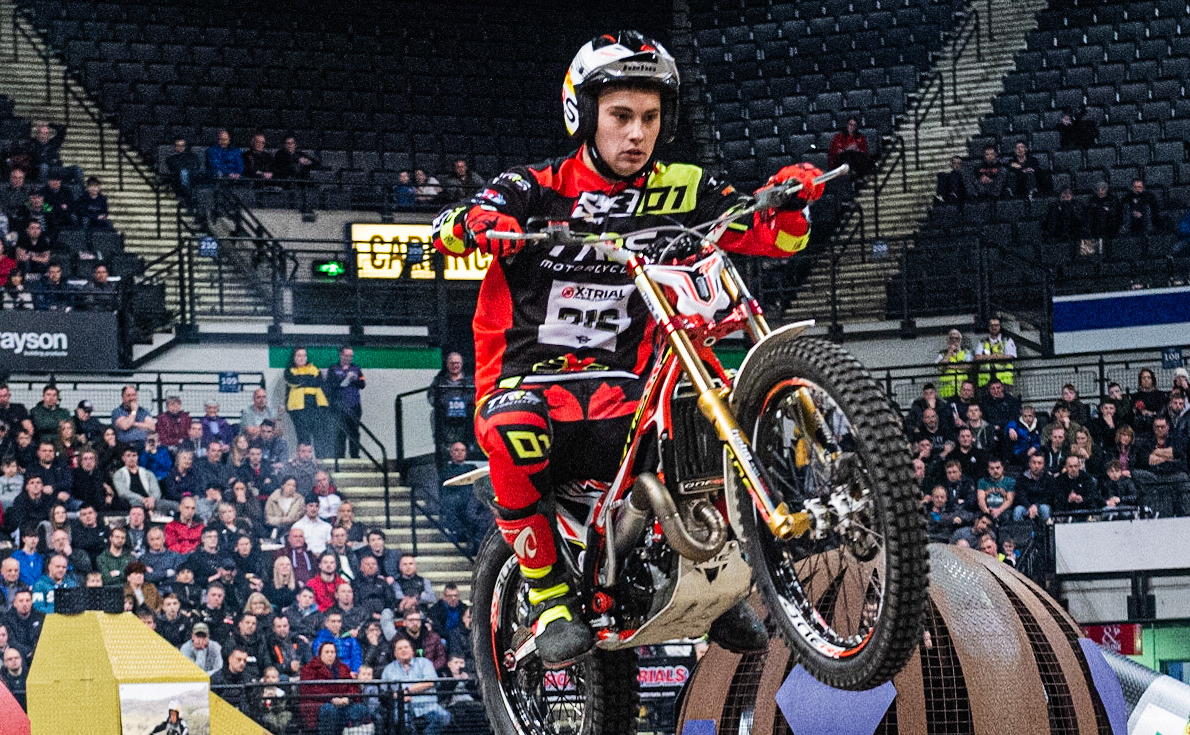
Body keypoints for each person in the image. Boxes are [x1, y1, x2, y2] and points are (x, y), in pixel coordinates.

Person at [432, 30, 818, 668]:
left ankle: (713, 575)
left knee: (708, 405)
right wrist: (478, 224)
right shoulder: (534, 187)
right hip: (527, 382)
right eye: (620, 116)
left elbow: (775, 238)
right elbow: (449, 229)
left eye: (650, 117)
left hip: (631, 387)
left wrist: (791, 199)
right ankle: (548, 594)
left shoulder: (685, 186)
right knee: (513, 426)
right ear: (584, 114)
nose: (637, 134)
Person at [322, 345, 365, 459]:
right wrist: (344, 379)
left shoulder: (356, 368)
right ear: (340, 355)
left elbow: (362, 384)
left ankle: (355, 455)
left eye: (351, 356)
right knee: (340, 433)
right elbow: (329, 386)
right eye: (346, 356)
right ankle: (340, 456)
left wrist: (354, 379)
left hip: (354, 406)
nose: (348, 358)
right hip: (339, 406)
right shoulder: (333, 368)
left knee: (354, 432)